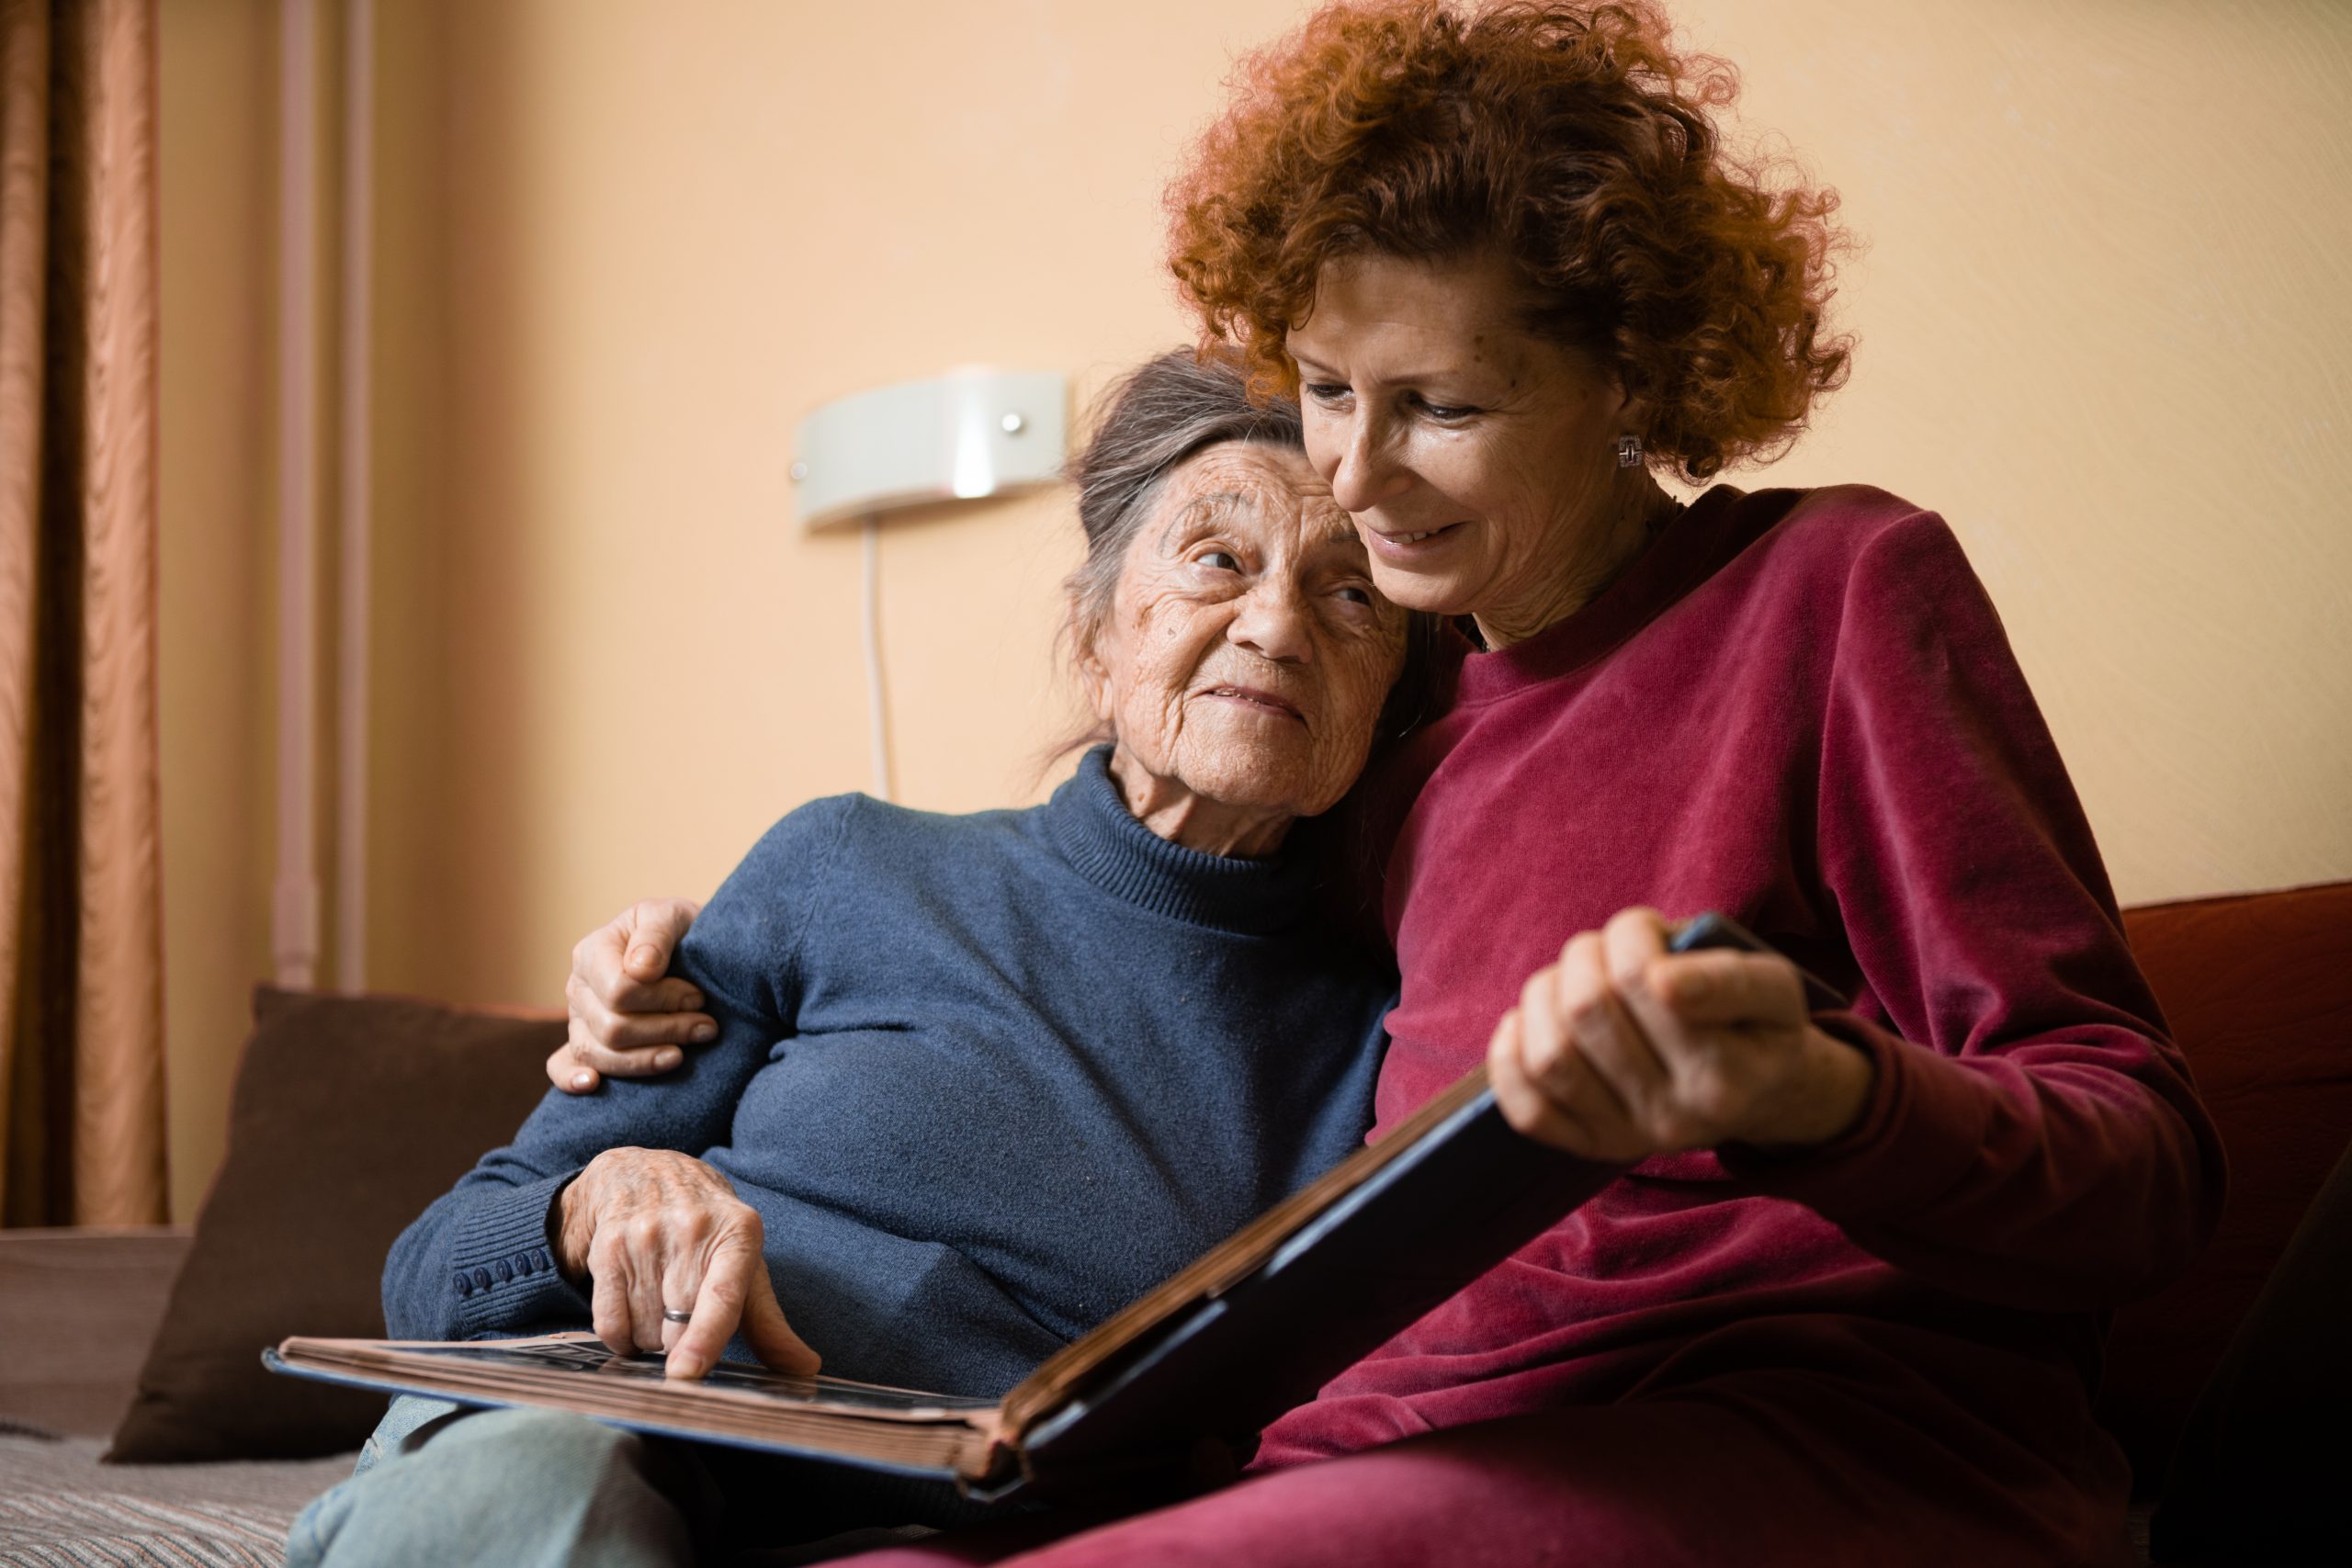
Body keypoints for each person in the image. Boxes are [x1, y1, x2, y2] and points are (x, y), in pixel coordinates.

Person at [572, 5, 2223, 1564]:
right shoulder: (1393, 721)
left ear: (1633, 377)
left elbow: (2140, 1159)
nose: (1354, 478)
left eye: (1442, 405)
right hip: (1368, 1446)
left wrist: (1823, 1093)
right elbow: (1125, 907)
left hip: (1792, 1426)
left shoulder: (1837, 588)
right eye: (1329, 388)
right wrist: (670, 984)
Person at [284, 349, 1428, 1568]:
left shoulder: (1380, 1039)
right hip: (597, 1445)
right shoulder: (845, 865)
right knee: (541, 1497)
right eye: (1219, 558)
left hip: (942, 1519)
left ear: (1386, 698)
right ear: (1097, 635)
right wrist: (593, 1200)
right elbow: (431, 1273)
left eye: (1351, 594)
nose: (1276, 625)